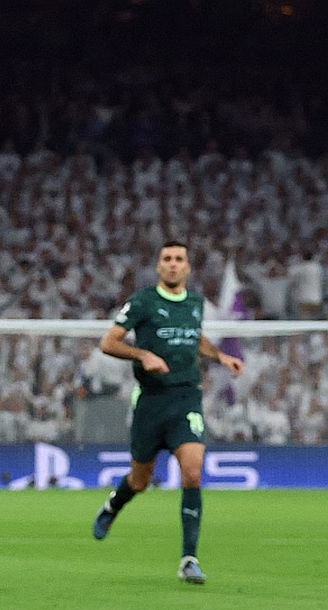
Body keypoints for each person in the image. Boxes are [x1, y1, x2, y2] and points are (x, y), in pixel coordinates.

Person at [92, 240, 245, 583]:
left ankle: (189, 559)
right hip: (151, 401)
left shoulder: (194, 303)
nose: (173, 264)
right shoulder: (144, 301)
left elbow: (195, 338)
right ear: (159, 266)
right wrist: (143, 355)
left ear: (188, 267)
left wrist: (220, 356)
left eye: (179, 259)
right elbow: (109, 342)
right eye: (167, 259)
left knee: (192, 473)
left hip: (186, 398)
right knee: (140, 480)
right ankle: (114, 505)